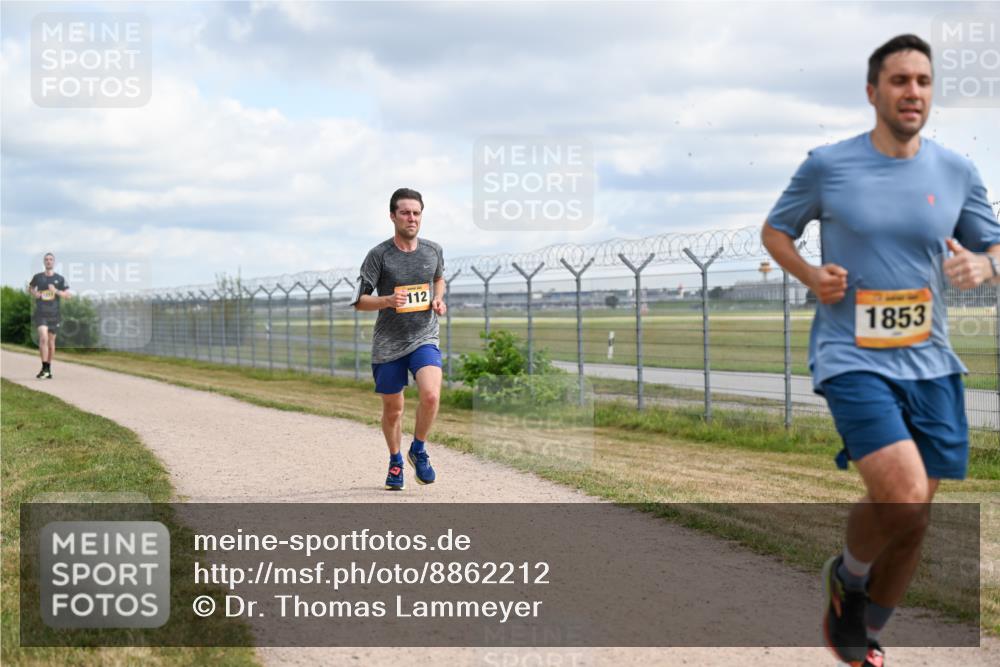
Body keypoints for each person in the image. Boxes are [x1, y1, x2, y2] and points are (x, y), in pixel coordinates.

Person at [762, 34, 1000, 667]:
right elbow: (776, 230)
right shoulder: (828, 165)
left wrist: (984, 264)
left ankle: (863, 627)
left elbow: (995, 247)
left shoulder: (955, 171)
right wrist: (811, 276)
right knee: (901, 491)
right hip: (852, 354)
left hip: (932, 361)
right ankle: (849, 575)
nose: (913, 92)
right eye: (899, 80)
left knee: (916, 516)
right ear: (873, 92)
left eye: (923, 80)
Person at [351, 188, 447, 490]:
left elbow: (438, 279)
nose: (411, 218)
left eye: (416, 213)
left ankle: (418, 450)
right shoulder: (379, 256)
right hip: (389, 343)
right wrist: (388, 300)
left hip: (424, 336)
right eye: (405, 212)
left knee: (431, 395)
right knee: (394, 410)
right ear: (392, 216)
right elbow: (359, 301)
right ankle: (395, 462)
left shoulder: (433, 250)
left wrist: (438, 299)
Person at [28, 252, 72, 379]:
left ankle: (48, 367)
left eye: (50, 259)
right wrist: (34, 293)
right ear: (44, 262)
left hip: (54, 315)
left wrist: (55, 291)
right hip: (41, 313)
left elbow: (68, 295)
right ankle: (44, 367)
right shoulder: (38, 277)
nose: (48, 261)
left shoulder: (60, 278)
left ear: (54, 262)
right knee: (43, 338)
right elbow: (30, 288)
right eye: (46, 259)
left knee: (51, 342)